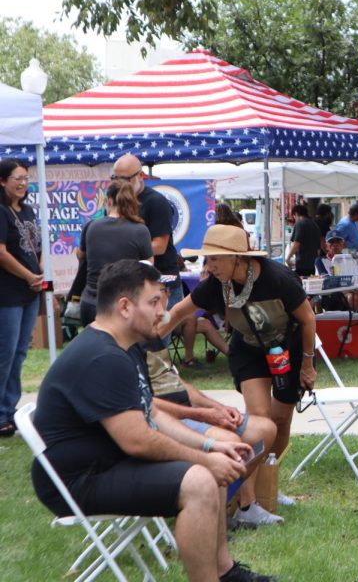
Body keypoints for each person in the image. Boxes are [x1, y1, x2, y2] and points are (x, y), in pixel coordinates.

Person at [31, 259, 275, 581]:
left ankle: (224, 572)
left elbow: (153, 413)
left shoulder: (124, 347)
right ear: (124, 307)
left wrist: (210, 445)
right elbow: (138, 440)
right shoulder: (101, 357)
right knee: (201, 480)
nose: (164, 310)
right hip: (76, 481)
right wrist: (204, 459)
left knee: (212, 464)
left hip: (107, 464)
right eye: (154, 302)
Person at [159, 225, 318, 511]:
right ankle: (249, 500)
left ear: (238, 258)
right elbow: (179, 312)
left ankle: (268, 483)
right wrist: (144, 336)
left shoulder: (278, 278)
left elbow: (308, 319)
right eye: (207, 259)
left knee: (281, 423)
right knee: (260, 422)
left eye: (215, 259)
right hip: (249, 351)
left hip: (287, 350)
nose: (209, 266)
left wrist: (307, 364)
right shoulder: (215, 287)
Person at [139, 340, 280, 528]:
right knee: (230, 443)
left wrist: (218, 408)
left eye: (160, 307)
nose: (160, 311)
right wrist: (203, 414)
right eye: (154, 307)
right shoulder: (124, 347)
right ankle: (210, 512)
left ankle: (234, 505)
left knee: (264, 430)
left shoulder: (152, 337)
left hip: (190, 413)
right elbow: (146, 405)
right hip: (164, 422)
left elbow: (175, 381)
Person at [0, 159, 42, 439]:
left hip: (31, 291)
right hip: (8, 292)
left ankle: (8, 410)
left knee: (19, 353)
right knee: (5, 354)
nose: (23, 183)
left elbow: (34, 247)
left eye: (26, 178)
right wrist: (28, 275)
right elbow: (1, 252)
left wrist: (38, 276)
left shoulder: (27, 209)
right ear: (2, 181)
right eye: (17, 178)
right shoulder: (1, 212)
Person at [111, 154, 185, 310]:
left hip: (161, 279)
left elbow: (160, 246)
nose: (119, 185)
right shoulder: (116, 203)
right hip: (132, 281)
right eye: (115, 179)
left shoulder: (156, 202)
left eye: (124, 180)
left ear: (140, 176)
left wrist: (124, 250)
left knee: (158, 332)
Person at [75, 179, 153, 327]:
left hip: (91, 302)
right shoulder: (140, 230)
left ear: (108, 201)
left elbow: (81, 256)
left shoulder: (91, 226)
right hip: (123, 305)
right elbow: (149, 266)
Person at [284, 203, 322, 277]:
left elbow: (296, 243)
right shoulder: (315, 225)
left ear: (296, 214)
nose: (295, 219)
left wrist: (288, 258)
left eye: (294, 216)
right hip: (313, 264)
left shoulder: (300, 224)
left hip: (302, 264)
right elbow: (318, 249)